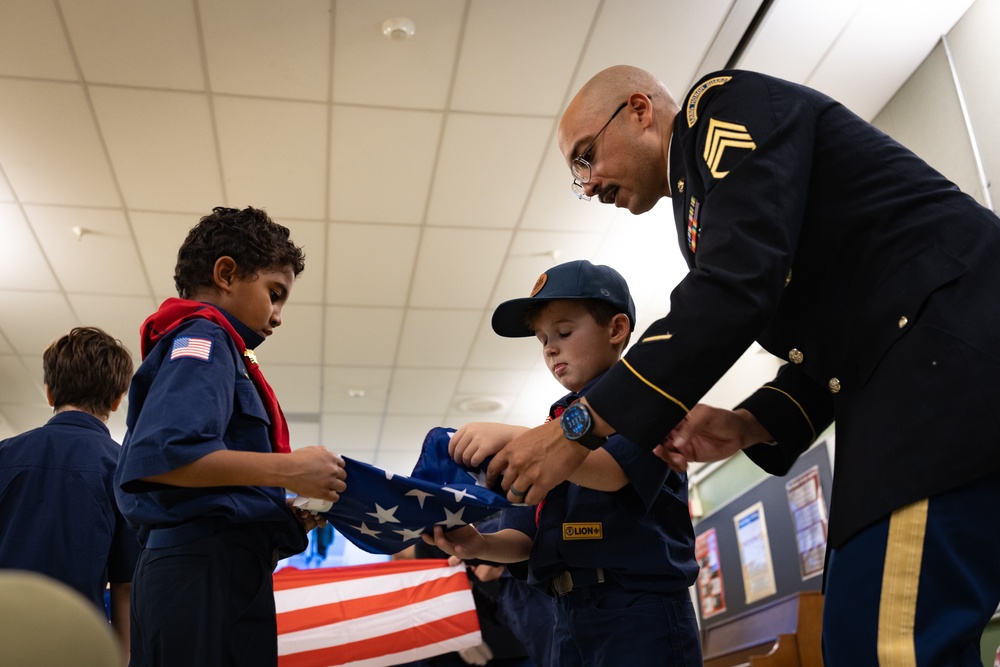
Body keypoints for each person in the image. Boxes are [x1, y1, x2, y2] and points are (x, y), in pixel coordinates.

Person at [485, 65, 1000, 665]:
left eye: (587, 155)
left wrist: (578, 426)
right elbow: (845, 329)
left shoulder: (719, 105)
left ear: (639, 110)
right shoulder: (699, 209)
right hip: (928, 364)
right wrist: (750, 423)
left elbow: (734, 286)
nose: (590, 181)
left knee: (886, 643)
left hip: (948, 359)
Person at [427, 260, 701, 666]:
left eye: (564, 332)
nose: (550, 348)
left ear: (616, 329)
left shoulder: (645, 402)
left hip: (639, 612)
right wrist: (480, 545)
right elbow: (526, 538)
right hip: (565, 614)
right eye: (541, 340)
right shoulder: (549, 427)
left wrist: (519, 437)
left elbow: (612, 473)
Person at [114, 206, 347, 667]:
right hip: (200, 570)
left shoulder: (223, 349)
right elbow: (167, 455)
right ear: (226, 273)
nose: (278, 316)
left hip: (218, 567)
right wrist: (292, 470)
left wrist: (280, 510)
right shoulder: (203, 339)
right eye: (274, 293)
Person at [0, 326, 138, 660]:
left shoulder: (4, 455)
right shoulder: (123, 470)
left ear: (49, 393)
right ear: (118, 399)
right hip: (74, 642)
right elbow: (124, 587)